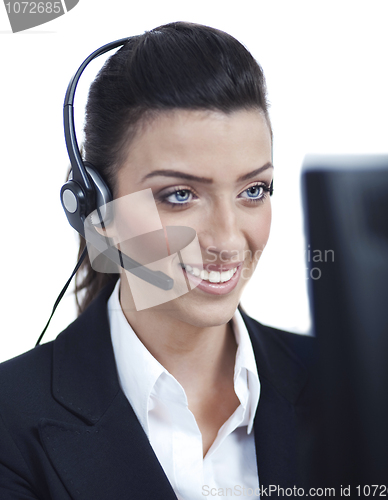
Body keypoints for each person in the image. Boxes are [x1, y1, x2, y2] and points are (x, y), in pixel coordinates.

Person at [0, 22, 316, 499]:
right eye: (180, 195)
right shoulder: (10, 420)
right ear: (97, 208)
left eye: (254, 190)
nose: (227, 240)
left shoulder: (354, 388)